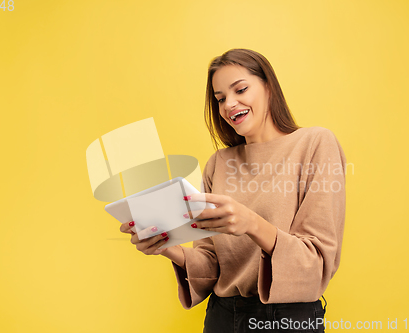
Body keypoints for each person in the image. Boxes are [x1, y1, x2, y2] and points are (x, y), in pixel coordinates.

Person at [120, 48, 347, 333]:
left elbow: (315, 263)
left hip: (287, 320)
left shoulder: (315, 143)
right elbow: (213, 264)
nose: (229, 104)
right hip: (222, 318)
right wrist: (168, 248)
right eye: (220, 99)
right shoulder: (219, 163)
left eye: (240, 89)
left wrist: (251, 223)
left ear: (268, 87)